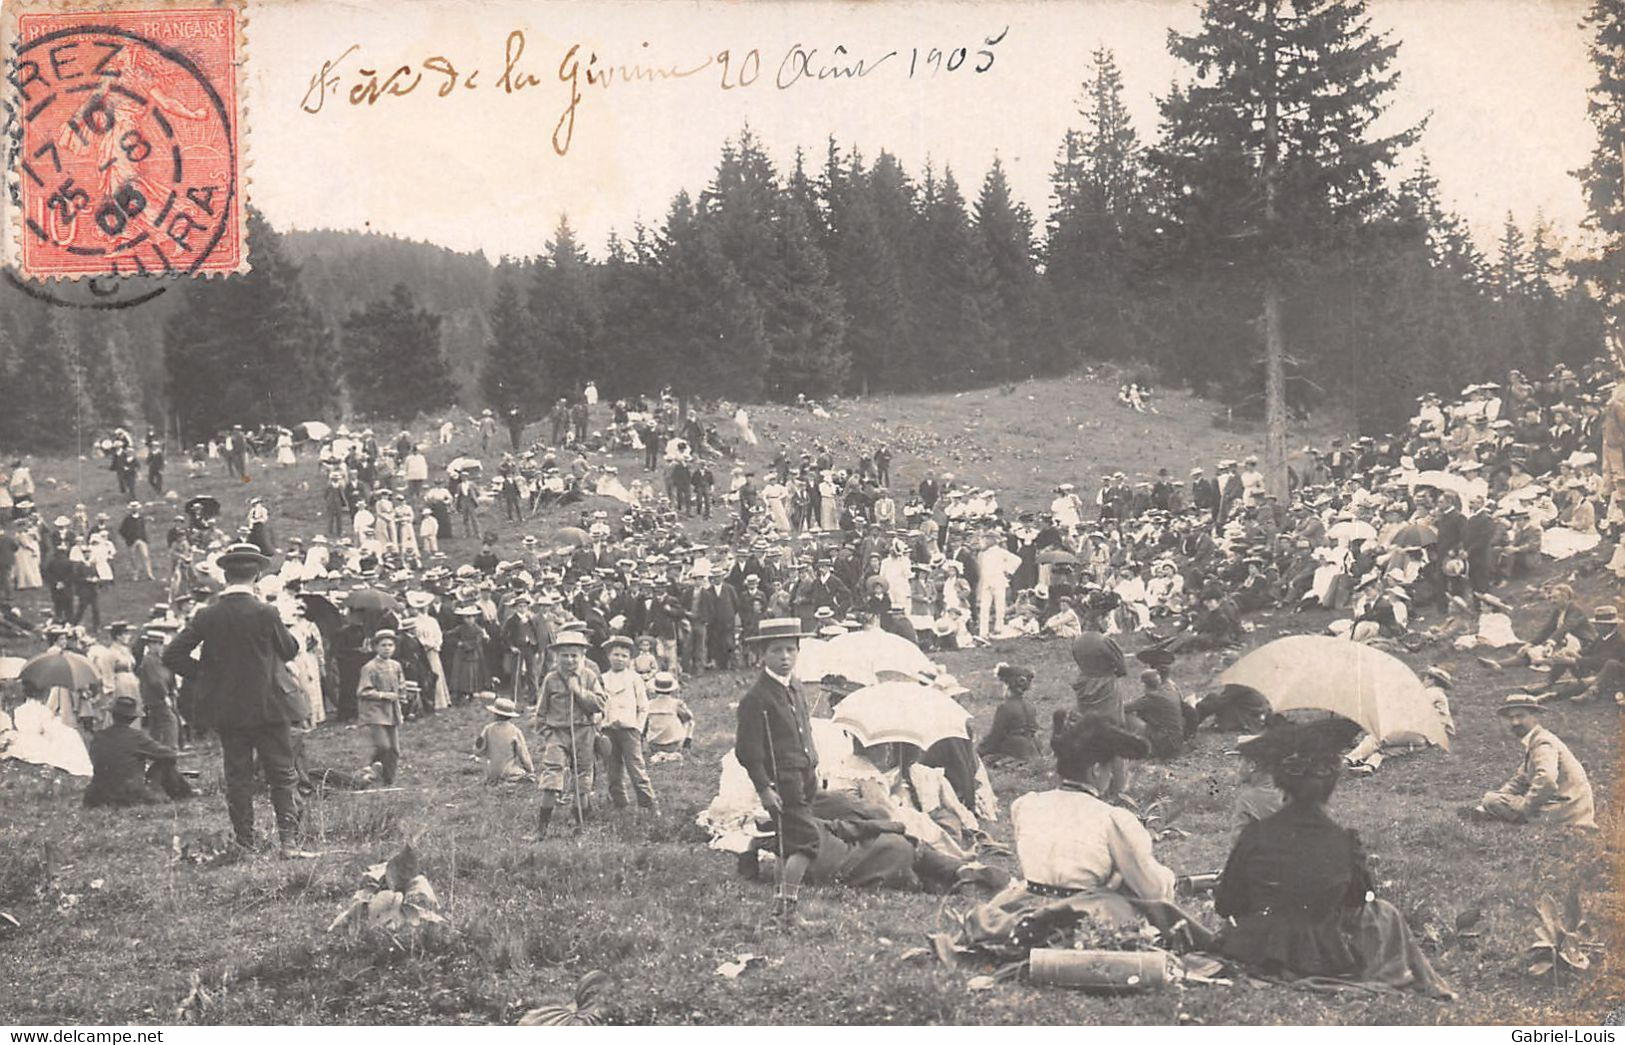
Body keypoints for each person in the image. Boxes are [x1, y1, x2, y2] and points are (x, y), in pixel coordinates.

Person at [1214, 717, 1453, 997]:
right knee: (1385, 911)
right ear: (1331, 787)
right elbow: (1361, 899)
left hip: (1257, 947)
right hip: (1323, 955)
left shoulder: (1253, 835)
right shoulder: (1343, 841)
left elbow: (1227, 904)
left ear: (1280, 782)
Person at [162, 543, 308, 857]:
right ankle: (289, 844)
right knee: (282, 773)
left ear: (225, 575)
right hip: (270, 707)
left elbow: (172, 654)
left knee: (238, 777)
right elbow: (289, 650)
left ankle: (246, 843)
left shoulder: (207, 614)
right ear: (256, 574)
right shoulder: (266, 612)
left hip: (228, 709)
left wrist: (206, 675)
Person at [734, 617, 821, 928]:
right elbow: (747, 750)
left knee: (787, 842)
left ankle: (778, 908)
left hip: (805, 773)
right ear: (762, 655)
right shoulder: (756, 698)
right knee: (808, 842)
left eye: (790, 650)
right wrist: (763, 788)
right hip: (782, 781)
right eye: (776, 651)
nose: (784, 657)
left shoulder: (796, 686)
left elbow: (804, 728)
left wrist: (813, 761)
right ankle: (789, 908)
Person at [1471, 694, 1596, 829]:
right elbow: (1520, 780)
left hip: (1564, 810)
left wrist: (1526, 807)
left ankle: (1504, 814)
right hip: (1571, 808)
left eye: (1520, 716)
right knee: (1492, 799)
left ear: (1535, 716)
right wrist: (1500, 795)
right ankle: (1491, 810)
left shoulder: (1543, 742)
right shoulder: (1536, 740)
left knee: (1492, 800)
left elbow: (1547, 780)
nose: (1515, 722)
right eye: (1511, 718)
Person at [533, 630, 608, 836]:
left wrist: (579, 691)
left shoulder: (589, 677)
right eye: (564, 655)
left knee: (582, 777)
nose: (569, 660)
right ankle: (542, 828)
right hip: (557, 732)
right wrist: (546, 732)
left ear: (583, 655)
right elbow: (541, 710)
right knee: (552, 774)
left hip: (583, 732)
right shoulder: (551, 679)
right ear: (557, 656)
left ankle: (579, 825)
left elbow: (600, 704)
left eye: (574, 655)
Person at [83, 695, 191, 807]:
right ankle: (185, 793)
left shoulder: (99, 736)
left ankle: (184, 792)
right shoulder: (137, 737)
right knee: (165, 763)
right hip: (129, 794)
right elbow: (170, 755)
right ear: (133, 718)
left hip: (97, 796)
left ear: (112, 714)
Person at [600, 635, 657, 812]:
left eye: (624, 656)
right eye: (616, 654)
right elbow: (598, 705)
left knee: (636, 768)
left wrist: (638, 728)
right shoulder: (602, 679)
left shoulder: (634, 679)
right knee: (612, 770)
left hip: (629, 730)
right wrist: (601, 725)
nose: (619, 659)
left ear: (630, 659)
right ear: (609, 656)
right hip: (608, 730)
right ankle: (620, 804)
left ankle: (648, 804)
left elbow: (643, 707)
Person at [356, 629, 405, 785]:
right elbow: (363, 691)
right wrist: (384, 695)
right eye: (383, 645)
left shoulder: (396, 665)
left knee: (394, 749)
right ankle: (369, 770)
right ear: (376, 647)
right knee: (383, 746)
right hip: (374, 711)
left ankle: (388, 780)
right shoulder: (369, 667)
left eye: (391, 645)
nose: (387, 648)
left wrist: (403, 694)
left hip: (392, 711)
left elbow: (400, 684)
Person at [977, 663, 1040, 765]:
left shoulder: (1005, 708)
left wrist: (979, 751)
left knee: (988, 759)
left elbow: (995, 735)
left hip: (1015, 749)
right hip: (1033, 747)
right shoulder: (1030, 706)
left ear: (1007, 686)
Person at [1126, 667, 1185, 759]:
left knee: (1127, 717)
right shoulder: (1169, 692)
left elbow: (1123, 708)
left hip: (1165, 743)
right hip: (1176, 742)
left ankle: (1139, 749)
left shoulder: (1151, 698)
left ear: (1144, 684)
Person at [474, 697, 534, 784]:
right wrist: (530, 770)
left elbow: (478, 749)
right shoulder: (515, 731)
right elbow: (523, 754)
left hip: (491, 771)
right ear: (510, 716)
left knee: (494, 771)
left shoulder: (487, 729)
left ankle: (495, 779)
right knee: (523, 774)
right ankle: (511, 779)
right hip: (508, 771)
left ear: (495, 714)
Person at [644, 671, 694, 763]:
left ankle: (659, 755)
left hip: (653, 744)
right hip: (673, 744)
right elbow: (689, 718)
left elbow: (644, 725)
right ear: (671, 690)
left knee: (649, 721)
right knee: (689, 722)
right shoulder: (677, 703)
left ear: (655, 689)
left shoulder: (649, 704)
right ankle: (684, 746)